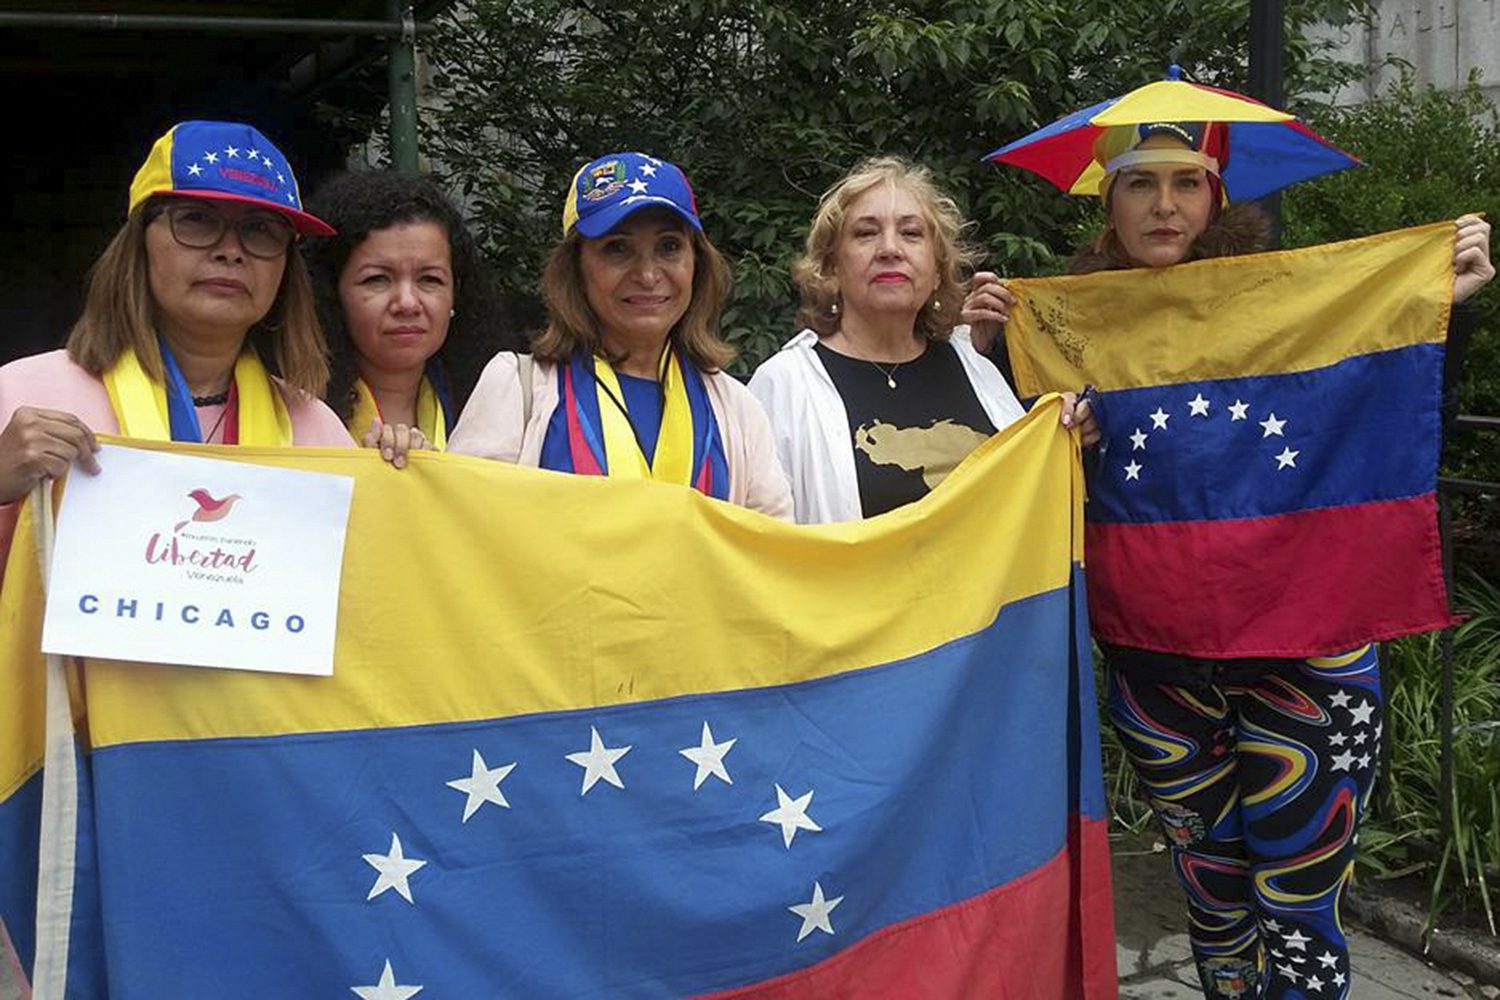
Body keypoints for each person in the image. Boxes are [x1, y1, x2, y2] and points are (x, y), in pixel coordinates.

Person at [966, 121, 1494, 1000]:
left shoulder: (1295, 299)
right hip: (1158, 663)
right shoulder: (1060, 322)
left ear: (1216, 198)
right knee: (1212, 898)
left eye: (1186, 181)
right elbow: (1003, 475)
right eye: (1140, 183)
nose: (1163, 204)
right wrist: (981, 355)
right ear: (1110, 198)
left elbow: (1395, 397)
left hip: (1312, 651)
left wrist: (1453, 301)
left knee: (1303, 904)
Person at [0, 119, 356, 567]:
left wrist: (404, 476)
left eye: (261, 229)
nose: (231, 250)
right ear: (139, 243)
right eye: (198, 220)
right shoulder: (21, 394)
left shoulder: (317, 429)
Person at [748, 156, 1093, 524]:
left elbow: (1027, 502)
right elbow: (759, 543)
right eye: (866, 233)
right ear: (831, 267)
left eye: (911, 233)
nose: (890, 249)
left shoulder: (977, 369)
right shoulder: (783, 385)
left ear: (937, 268)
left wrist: (1065, 432)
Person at [448, 151, 792, 518]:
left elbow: (773, 550)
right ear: (576, 270)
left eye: (669, 247)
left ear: (697, 263)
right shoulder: (517, 389)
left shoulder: (737, 408)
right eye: (617, 249)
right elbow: (463, 535)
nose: (647, 275)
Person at [306, 170, 505, 460]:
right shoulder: (293, 416)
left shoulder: (498, 410)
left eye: (430, 280)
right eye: (377, 279)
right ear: (332, 293)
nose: (408, 303)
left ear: (455, 293)